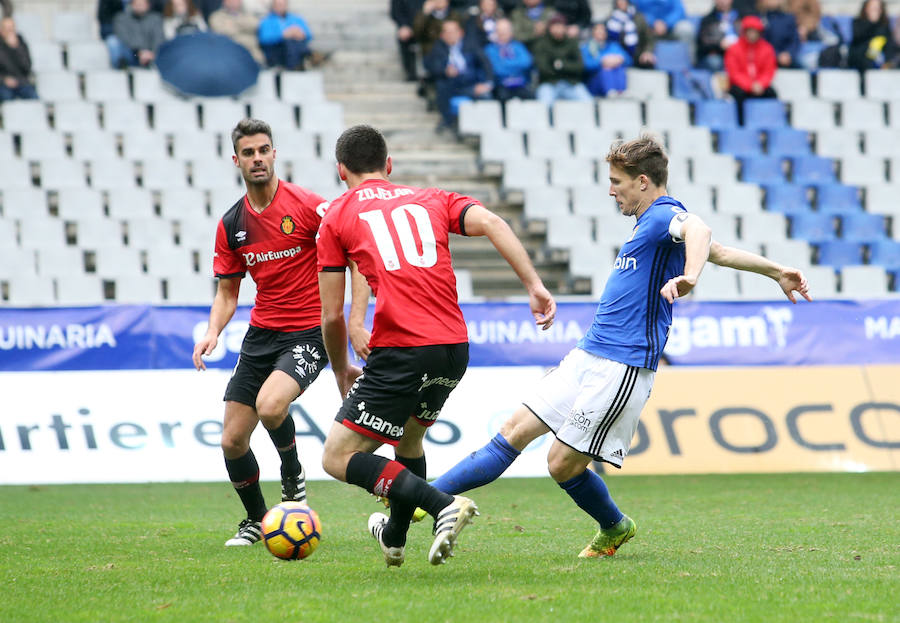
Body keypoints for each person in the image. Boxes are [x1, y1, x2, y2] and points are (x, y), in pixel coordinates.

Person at [426, 132, 812, 558]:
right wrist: (776, 270)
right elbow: (717, 249)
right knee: (512, 431)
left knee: (559, 464)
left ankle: (614, 526)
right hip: (588, 352)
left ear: (643, 181)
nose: (611, 190)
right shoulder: (649, 224)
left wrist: (691, 277)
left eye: (617, 181)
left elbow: (700, 230)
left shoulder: (668, 214)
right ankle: (417, 497)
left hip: (621, 365)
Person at [315, 124, 557, 567]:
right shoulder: (432, 198)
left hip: (403, 347)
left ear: (340, 171)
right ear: (388, 166)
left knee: (337, 456)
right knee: (409, 440)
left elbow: (329, 314)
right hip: (452, 347)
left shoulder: (336, 214)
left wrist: (340, 367)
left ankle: (443, 503)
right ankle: (395, 537)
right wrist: (534, 286)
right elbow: (492, 222)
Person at [192, 118, 334, 548]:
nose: (257, 159)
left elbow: (348, 250)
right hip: (262, 334)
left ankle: (292, 478)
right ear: (236, 160)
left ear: (275, 153)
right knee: (232, 440)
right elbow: (227, 293)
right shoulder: (232, 222)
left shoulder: (308, 205)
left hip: (310, 331)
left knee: (271, 407)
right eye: (248, 153)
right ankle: (257, 520)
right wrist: (214, 330)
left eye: (263, 150)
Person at [424, 19, 494, 134]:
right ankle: (448, 121)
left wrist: (487, 83)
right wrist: (445, 71)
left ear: (460, 32)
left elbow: (486, 64)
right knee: (442, 87)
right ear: (442, 35)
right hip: (451, 86)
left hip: (471, 84)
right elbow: (430, 65)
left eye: (453, 31)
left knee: (486, 95)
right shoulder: (438, 48)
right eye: (447, 32)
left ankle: (485, 130)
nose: (450, 35)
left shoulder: (471, 45)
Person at [725, 15, 777, 124]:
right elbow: (734, 73)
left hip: (759, 86)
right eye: (750, 31)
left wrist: (761, 84)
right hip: (742, 86)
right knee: (737, 93)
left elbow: (769, 70)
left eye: (755, 31)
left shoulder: (767, 49)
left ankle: (769, 122)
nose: (752, 34)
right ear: (745, 31)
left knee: (771, 94)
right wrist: (749, 85)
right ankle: (741, 123)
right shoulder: (734, 49)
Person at [533, 14, 591, 106]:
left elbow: (580, 66)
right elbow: (543, 68)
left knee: (588, 102)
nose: (557, 29)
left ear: (565, 28)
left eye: (560, 26)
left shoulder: (572, 43)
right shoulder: (542, 43)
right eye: (554, 26)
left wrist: (560, 65)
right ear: (550, 28)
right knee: (544, 104)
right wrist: (565, 68)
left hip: (571, 83)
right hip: (549, 83)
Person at [484, 17, 535, 102]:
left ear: (511, 32)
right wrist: (516, 65)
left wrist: (505, 63)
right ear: (495, 32)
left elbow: (527, 62)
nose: (503, 32)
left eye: (506, 30)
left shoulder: (518, 46)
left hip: (521, 84)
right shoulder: (490, 49)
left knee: (532, 99)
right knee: (502, 97)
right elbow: (497, 69)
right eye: (500, 30)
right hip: (501, 85)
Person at [258, 0, 313, 70]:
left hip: (296, 46)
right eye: (278, 5)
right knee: (289, 43)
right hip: (277, 50)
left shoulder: (296, 19)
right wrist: (282, 35)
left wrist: (301, 34)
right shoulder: (267, 21)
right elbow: (264, 39)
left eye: (282, 5)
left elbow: (308, 34)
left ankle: (300, 63)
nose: (280, 7)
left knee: (294, 43)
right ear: (273, 6)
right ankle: (304, 61)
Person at [581, 20, 631, 96]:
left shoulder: (613, 46)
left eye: (603, 30)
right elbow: (585, 65)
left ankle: (621, 92)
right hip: (594, 83)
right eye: (598, 30)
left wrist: (620, 59)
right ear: (593, 32)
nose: (601, 32)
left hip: (615, 80)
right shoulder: (586, 47)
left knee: (619, 68)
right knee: (606, 70)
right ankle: (611, 93)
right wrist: (601, 61)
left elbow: (629, 60)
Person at [208, 0, 265, 65]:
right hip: (229, 54)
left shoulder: (248, 14)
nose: (233, 2)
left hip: (252, 54)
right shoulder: (216, 16)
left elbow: (257, 25)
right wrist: (244, 27)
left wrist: (235, 22)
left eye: (236, 0)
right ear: (224, 2)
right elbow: (222, 31)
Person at [112, 0, 165, 68]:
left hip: (150, 55)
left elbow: (159, 38)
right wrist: (139, 52)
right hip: (132, 54)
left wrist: (152, 53)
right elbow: (123, 38)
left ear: (148, 5)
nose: (139, 6)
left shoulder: (156, 19)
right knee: (112, 41)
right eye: (137, 3)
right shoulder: (121, 18)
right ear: (131, 5)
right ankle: (121, 66)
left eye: (142, 4)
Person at [606, 0, 657, 67]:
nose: (621, 3)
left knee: (647, 62)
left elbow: (649, 38)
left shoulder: (639, 18)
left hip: (637, 54)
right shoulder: (611, 20)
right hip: (618, 54)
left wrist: (647, 51)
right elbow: (609, 41)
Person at [0, 16, 37, 102]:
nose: (10, 31)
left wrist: (16, 48)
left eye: (12, 28)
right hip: (3, 84)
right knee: (6, 98)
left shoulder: (21, 44)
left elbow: (27, 67)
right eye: (7, 28)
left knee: (34, 98)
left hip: (22, 82)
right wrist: (4, 80)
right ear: (1, 31)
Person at [696, 0, 740, 71]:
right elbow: (702, 43)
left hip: (738, 53)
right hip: (717, 54)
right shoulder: (708, 20)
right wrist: (719, 44)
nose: (722, 1)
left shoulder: (739, 18)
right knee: (715, 62)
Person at [848, 0, 891, 71]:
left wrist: (888, 60)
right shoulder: (857, 22)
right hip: (860, 56)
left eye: (877, 8)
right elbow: (858, 39)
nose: (875, 11)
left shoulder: (884, 25)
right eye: (872, 8)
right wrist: (872, 23)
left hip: (877, 56)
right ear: (866, 9)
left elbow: (889, 44)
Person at [758, 0, 801, 68]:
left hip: (789, 58)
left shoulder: (789, 18)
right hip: (767, 58)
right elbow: (761, 42)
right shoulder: (760, 19)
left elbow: (795, 40)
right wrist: (777, 55)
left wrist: (789, 54)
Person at [391, 0, 426, 81]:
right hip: (408, 26)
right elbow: (395, 12)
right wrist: (404, 25)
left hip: (429, 26)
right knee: (404, 35)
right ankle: (411, 72)